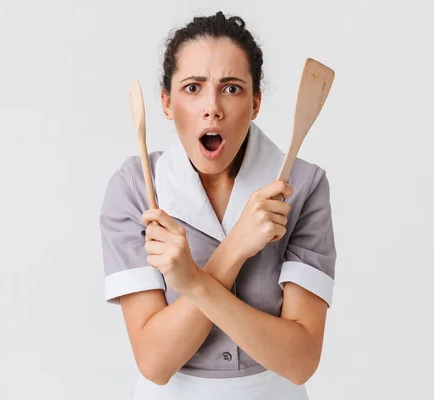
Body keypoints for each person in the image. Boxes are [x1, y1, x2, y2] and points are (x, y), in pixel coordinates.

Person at [99, 11, 337, 400]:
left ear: (256, 102)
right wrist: (233, 251)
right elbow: (156, 364)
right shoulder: (136, 188)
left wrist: (191, 280)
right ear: (166, 102)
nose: (213, 108)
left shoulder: (303, 186)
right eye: (193, 88)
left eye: (232, 88)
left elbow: (300, 361)